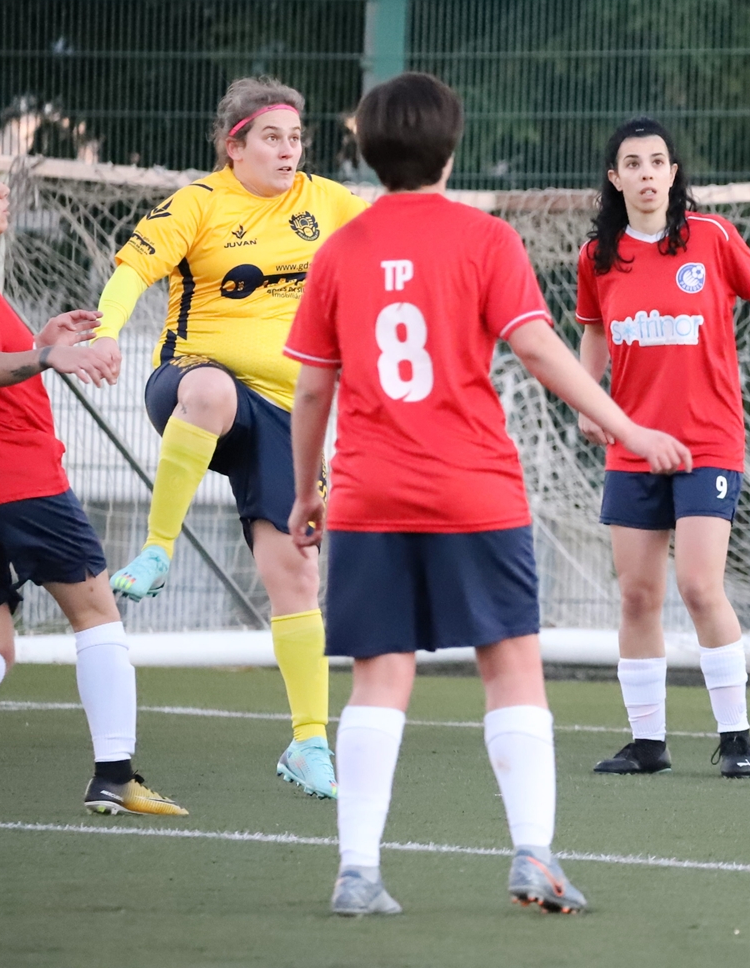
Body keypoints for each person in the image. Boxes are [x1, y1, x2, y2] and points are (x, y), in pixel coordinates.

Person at [284, 73, 688, 916]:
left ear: (363, 149)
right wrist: (630, 427)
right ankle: (533, 858)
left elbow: (313, 391)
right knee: (510, 666)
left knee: (377, 679)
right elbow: (542, 352)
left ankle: (357, 870)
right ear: (452, 149)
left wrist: (305, 491)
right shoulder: (484, 239)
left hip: (367, 491)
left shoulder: (340, 250)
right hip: (474, 489)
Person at [93, 78, 366, 799]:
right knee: (212, 389)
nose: (288, 149)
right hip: (192, 384)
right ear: (234, 145)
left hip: (283, 413)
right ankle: (158, 549)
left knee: (299, 577)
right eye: (272, 137)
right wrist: (108, 333)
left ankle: (308, 741)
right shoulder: (198, 203)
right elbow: (132, 269)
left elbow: (390, 244)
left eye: (296, 137)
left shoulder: (329, 201)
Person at [574, 116, 750, 779]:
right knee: (638, 595)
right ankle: (648, 743)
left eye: (657, 161)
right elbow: (590, 333)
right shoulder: (597, 257)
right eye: (633, 163)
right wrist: (592, 398)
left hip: (709, 441)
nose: (647, 173)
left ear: (674, 173)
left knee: (700, 585)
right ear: (615, 177)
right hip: (632, 443)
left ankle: (736, 736)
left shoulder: (712, 237)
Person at [0, 183, 186, 818]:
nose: (3, 192)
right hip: (19, 479)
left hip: (16, 475)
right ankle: (114, 775)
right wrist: (50, 353)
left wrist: (42, 341)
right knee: (98, 613)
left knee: (0, 649)